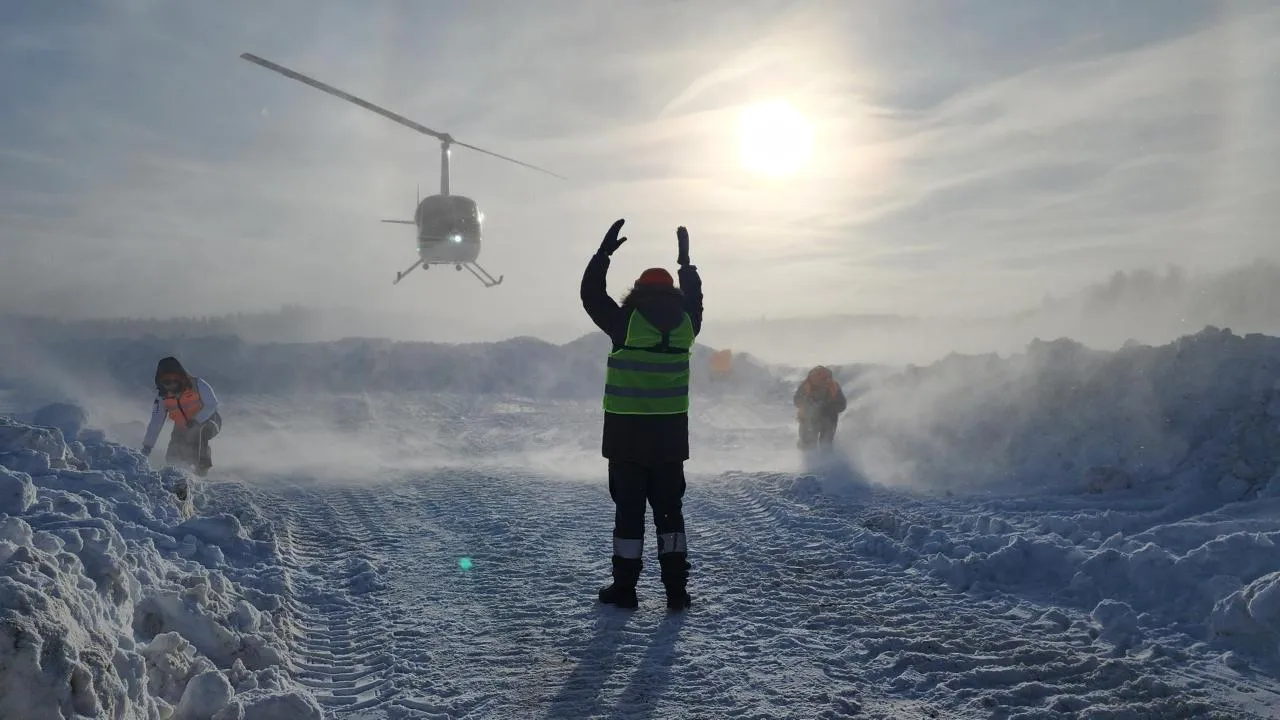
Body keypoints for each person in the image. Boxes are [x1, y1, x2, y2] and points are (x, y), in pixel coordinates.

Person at [580, 218, 703, 611]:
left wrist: (603, 255)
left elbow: (591, 296)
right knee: (670, 515)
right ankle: (676, 592)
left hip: (627, 438)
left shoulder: (626, 323)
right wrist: (686, 264)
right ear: (673, 293)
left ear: (636, 292)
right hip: (670, 439)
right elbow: (695, 301)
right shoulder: (686, 325)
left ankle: (625, 590)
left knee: (629, 516)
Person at [141, 356, 222, 476]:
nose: (171, 385)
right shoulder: (162, 398)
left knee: (198, 432)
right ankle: (177, 475)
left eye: (175, 380)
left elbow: (212, 404)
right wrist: (147, 446)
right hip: (183, 426)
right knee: (173, 455)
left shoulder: (197, 384)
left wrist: (197, 420)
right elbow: (156, 422)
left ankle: (202, 469)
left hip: (209, 420)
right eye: (166, 382)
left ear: (181, 377)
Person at [794, 365, 846, 450]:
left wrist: (829, 407)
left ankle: (826, 456)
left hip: (828, 418)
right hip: (808, 418)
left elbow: (842, 405)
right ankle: (806, 452)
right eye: (821, 380)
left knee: (826, 444)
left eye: (826, 379)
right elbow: (796, 401)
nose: (824, 383)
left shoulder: (833, 387)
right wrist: (809, 403)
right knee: (806, 444)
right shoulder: (806, 386)